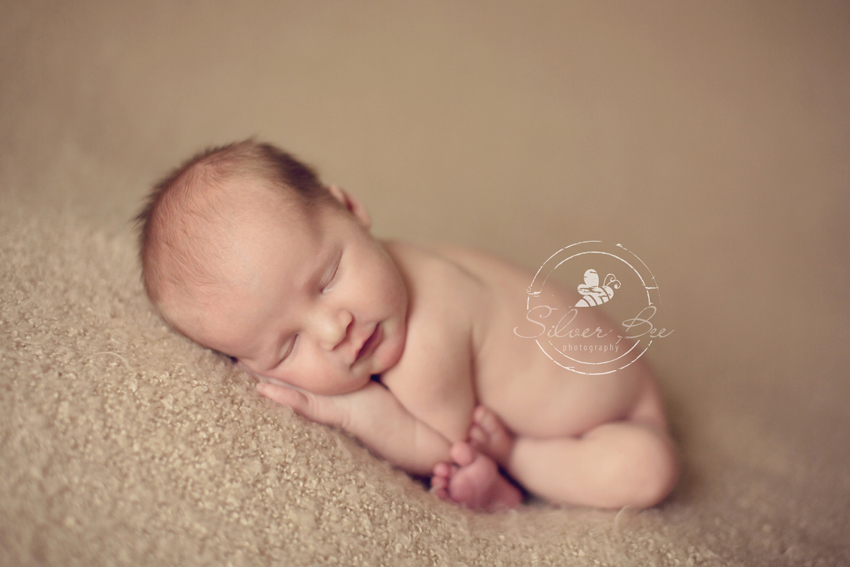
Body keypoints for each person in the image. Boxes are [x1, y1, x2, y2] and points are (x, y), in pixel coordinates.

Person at [136, 140, 678, 511]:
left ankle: (517, 457)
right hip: (605, 360)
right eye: (286, 346)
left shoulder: (427, 339)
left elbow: (443, 447)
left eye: (327, 280)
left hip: (616, 417)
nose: (333, 330)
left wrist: (348, 409)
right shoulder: (387, 264)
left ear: (349, 207)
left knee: (646, 473)